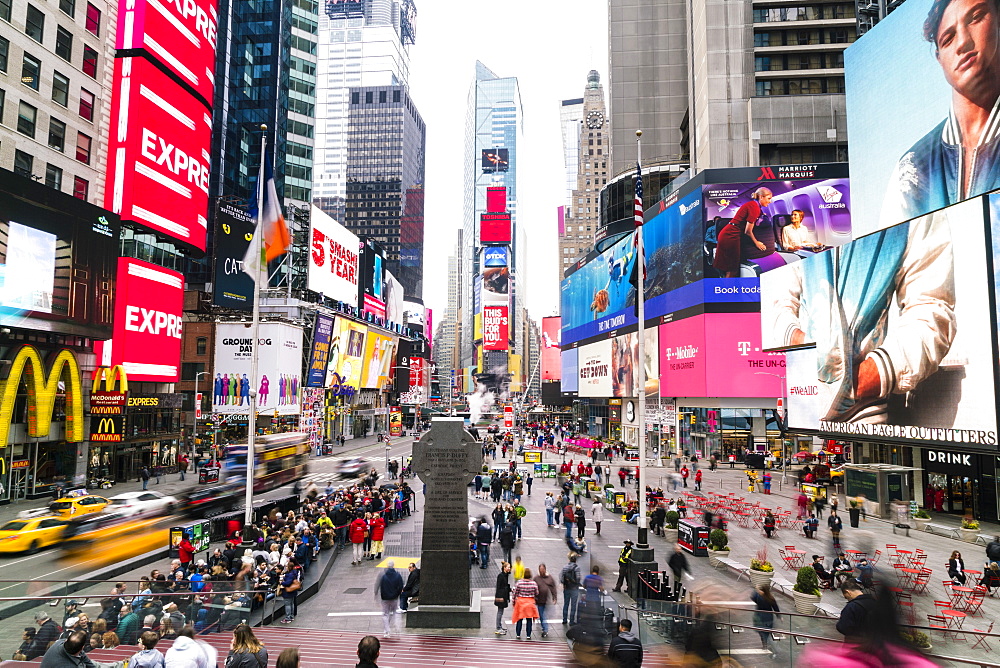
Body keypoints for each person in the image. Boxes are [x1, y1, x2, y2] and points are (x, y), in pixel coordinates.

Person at [880, 0, 1000, 229]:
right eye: (948, 38)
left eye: (975, 18)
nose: (963, 42)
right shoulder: (912, 166)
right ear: (938, 57)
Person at [713, 187, 773, 277]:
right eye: (768, 198)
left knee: (732, 266)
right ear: (761, 197)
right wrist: (757, 243)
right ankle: (728, 289)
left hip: (732, 233)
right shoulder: (754, 207)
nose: (770, 201)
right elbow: (748, 231)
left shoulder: (755, 206)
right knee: (732, 267)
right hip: (730, 235)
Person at [375, 560, 404, 638]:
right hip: (394, 598)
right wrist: (397, 594)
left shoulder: (382, 575)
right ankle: (397, 627)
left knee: (385, 614)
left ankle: (387, 631)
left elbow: (377, 585)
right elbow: (401, 586)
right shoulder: (398, 575)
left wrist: (376, 594)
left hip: (385, 598)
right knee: (395, 612)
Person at [511, 567, 540, 640]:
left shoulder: (519, 583)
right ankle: (528, 635)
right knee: (529, 619)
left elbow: (515, 593)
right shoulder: (533, 583)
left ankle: (518, 634)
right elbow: (537, 593)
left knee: (519, 619)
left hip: (521, 603)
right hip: (530, 603)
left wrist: (513, 601)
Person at [751, 583, 780, 653]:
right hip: (768, 617)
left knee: (762, 631)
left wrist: (756, 590)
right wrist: (779, 616)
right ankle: (766, 643)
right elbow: (775, 607)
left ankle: (766, 644)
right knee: (766, 632)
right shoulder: (770, 597)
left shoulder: (759, 597)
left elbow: (753, 597)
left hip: (760, 617)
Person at [534, 563, 557, 639]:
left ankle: (545, 629)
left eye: (543, 570)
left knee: (543, 615)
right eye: (540, 570)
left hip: (546, 600)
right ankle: (544, 626)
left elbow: (553, 588)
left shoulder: (549, 578)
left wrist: (554, 597)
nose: (541, 571)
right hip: (539, 600)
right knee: (542, 615)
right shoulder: (536, 578)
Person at [561, 553, 582, 625]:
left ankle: (564, 619)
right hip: (574, 588)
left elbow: (561, 577)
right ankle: (571, 621)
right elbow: (578, 578)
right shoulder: (577, 568)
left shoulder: (565, 567)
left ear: (569, 560)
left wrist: (564, 583)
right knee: (573, 605)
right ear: (575, 560)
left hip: (566, 588)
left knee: (566, 604)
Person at [494, 561, 512, 635]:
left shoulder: (505, 575)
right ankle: (498, 627)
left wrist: (509, 589)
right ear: (504, 568)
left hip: (503, 596)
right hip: (501, 596)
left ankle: (499, 626)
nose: (509, 568)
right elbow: (499, 587)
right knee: (500, 612)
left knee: (500, 612)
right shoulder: (501, 576)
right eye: (508, 567)